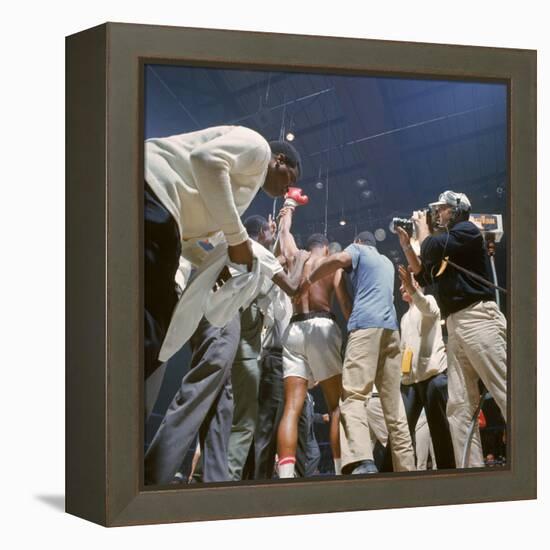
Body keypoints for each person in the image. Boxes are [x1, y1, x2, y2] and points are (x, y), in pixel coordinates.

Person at [144, 125, 302, 384]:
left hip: (162, 211)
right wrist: (237, 239)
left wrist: (211, 265)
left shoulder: (244, 188)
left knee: (154, 323)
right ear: (280, 160)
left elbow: (189, 237)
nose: (288, 188)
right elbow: (206, 159)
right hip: (156, 193)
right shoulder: (259, 147)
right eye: (290, 179)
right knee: (151, 326)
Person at [404, 190, 506, 468]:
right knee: (459, 406)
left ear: (458, 209)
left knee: (504, 389)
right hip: (456, 324)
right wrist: (406, 244)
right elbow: (423, 274)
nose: (437, 213)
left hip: (478, 318)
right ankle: (471, 473)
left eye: (443, 208)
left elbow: (430, 248)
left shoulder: (467, 231)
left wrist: (424, 230)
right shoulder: (447, 244)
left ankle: (535, 459)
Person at [299, 232, 415, 475]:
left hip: (366, 328)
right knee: (394, 408)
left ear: (360, 243)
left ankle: (363, 462)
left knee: (353, 397)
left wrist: (311, 278)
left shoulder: (358, 249)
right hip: (391, 332)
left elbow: (338, 259)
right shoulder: (386, 262)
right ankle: (408, 470)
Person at [275, 206, 352, 478]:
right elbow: (345, 306)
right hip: (322, 326)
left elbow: (284, 234)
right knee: (336, 406)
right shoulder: (331, 265)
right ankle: (342, 470)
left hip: (294, 330)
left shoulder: (297, 258)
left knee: (292, 407)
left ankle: (285, 477)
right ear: (328, 249)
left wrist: (288, 210)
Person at [397, 265, 456, 469]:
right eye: (401, 285)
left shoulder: (429, 300)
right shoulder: (404, 318)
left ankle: (448, 475)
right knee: (400, 429)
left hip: (432, 377)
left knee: (440, 432)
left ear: (417, 284)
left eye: (405, 283)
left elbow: (425, 307)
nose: (401, 288)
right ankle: (389, 472)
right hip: (410, 382)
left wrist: (413, 290)